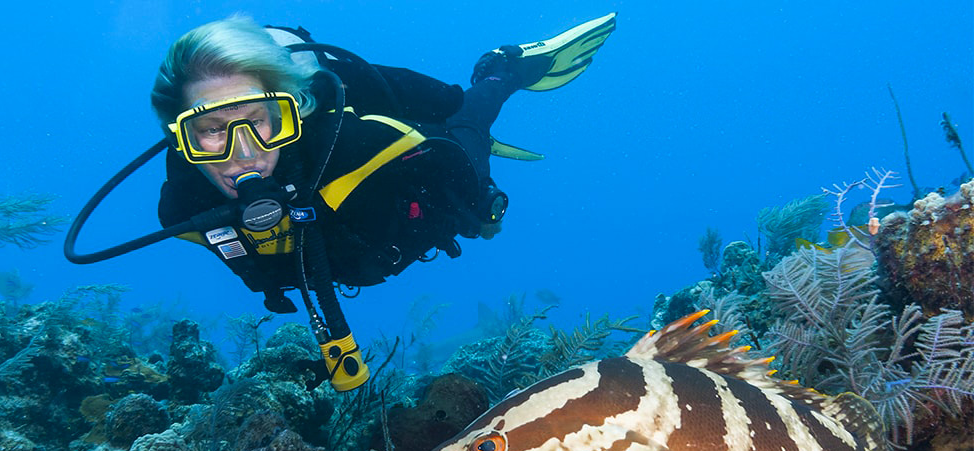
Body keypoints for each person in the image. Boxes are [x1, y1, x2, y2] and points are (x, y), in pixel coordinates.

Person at [67, 13, 616, 391]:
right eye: (211, 132)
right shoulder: (182, 212)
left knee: (461, 124)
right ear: (180, 138)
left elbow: (458, 172)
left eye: (258, 123)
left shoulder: (361, 143)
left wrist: (476, 201)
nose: (244, 156)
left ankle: (501, 69)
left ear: (291, 112)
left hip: (414, 141)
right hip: (349, 243)